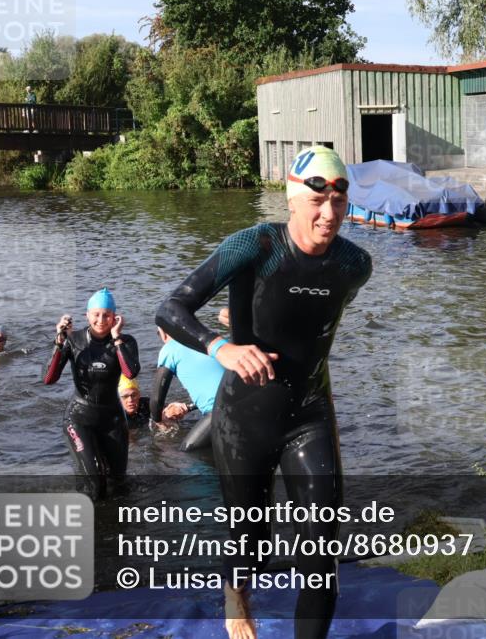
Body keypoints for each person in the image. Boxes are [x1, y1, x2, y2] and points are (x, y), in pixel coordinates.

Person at [156, 145, 371, 639]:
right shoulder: (255, 245)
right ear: (293, 198)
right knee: (251, 540)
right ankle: (237, 595)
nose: (330, 212)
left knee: (321, 551)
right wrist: (221, 347)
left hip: (308, 413)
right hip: (245, 416)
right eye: (318, 199)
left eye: (340, 200)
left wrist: (328, 412)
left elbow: (318, 332)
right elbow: (171, 309)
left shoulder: (354, 264)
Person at [42, 288, 140, 500]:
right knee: (94, 483)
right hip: (79, 418)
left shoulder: (126, 341)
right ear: (87, 315)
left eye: (107, 315)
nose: (101, 320)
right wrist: (59, 342)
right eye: (96, 314)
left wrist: (116, 339)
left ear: (115, 317)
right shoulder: (74, 340)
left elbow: (130, 372)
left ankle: (116, 529)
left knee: (119, 484)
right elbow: (49, 379)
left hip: (112, 419)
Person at [153, 326, 225, 450]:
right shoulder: (212, 339)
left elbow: (156, 399)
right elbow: (217, 388)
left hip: (220, 411)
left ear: (163, 332)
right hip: (247, 400)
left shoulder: (170, 349)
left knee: (187, 453)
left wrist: (159, 421)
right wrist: (188, 407)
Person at [118, 374, 193, 430]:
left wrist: (174, 408)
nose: (130, 400)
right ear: (118, 398)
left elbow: (166, 410)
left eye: (134, 395)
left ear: (139, 394)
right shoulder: (115, 415)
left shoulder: (146, 404)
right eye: (125, 396)